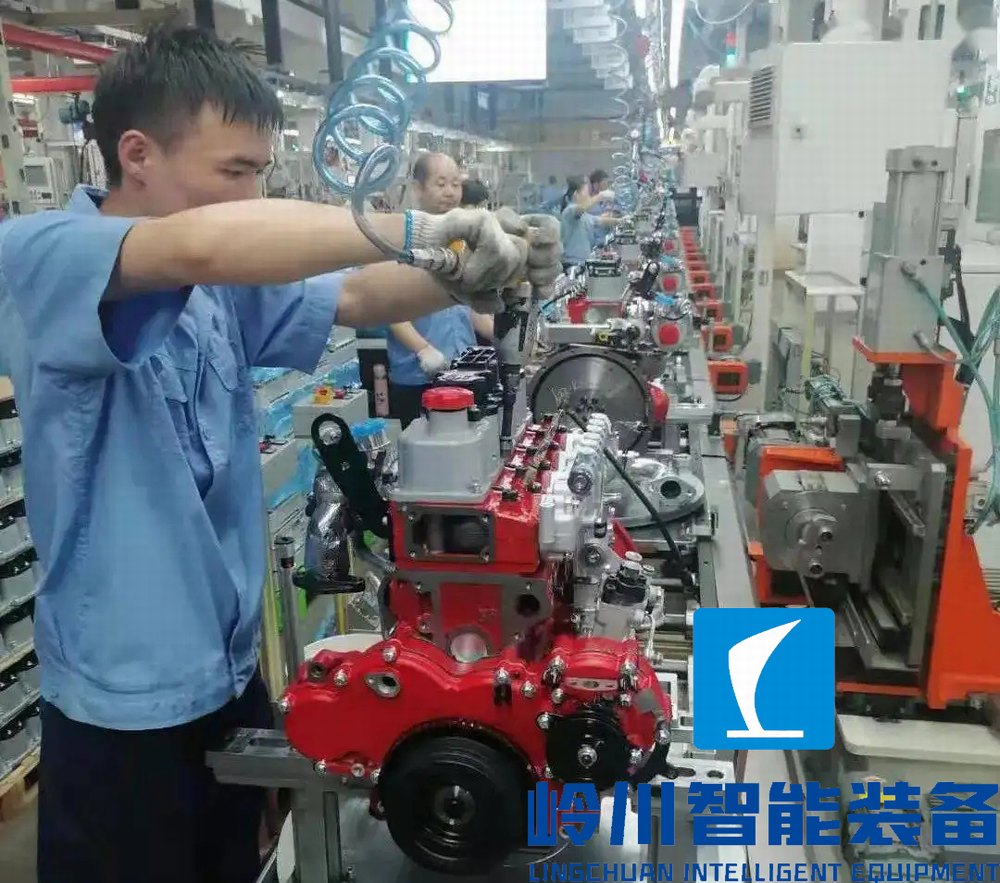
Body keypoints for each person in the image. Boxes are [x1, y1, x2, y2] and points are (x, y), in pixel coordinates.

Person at [0, 27, 560, 883]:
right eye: (235, 171)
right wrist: (415, 225)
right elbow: (203, 244)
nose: (254, 196)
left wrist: (478, 267)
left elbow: (360, 293)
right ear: (137, 154)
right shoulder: (42, 253)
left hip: (229, 673)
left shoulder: (215, 290)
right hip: (123, 704)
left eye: (260, 173)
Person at [388, 153, 494, 427]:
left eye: (455, 184)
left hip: (464, 369)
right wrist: (423, 350)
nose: (450, 192)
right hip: (418, 376)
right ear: (418, 188)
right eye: (441, 183)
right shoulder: (400, 241)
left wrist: (502, 336)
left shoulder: (462, 240)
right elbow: (389, 309)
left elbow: (468, 304)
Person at [560, 175, 618, 271]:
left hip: (583, 263)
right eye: (586, 192)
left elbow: (600, 220)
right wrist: (601, 196)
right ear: (576, 194)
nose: (588, 196)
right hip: (572, 265)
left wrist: (622, 221)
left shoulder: (584, 216)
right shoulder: (570, 211)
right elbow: (581, 208)